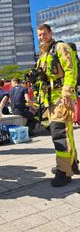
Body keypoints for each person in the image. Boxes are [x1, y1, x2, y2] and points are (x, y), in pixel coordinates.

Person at [35, 23, 79, 187]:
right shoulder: (43, 54)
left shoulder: (60, 47)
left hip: (62, 97)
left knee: (59, 134)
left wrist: (67, 93)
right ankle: (71, 164)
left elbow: (71, 70)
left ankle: (64, 172)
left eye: (44, 34)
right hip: (49, 100)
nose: (41, 37)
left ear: (50, 33)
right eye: (39, 35)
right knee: (66, 133)